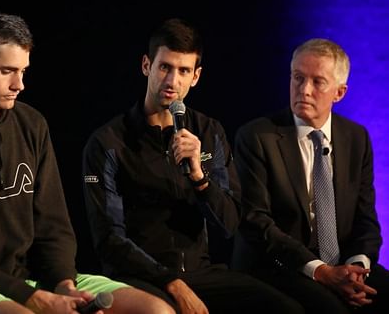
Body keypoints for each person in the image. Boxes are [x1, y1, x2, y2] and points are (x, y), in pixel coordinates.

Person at [0, 12, 175, 314]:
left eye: (23, 71)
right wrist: (33, 300)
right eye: (7, 71)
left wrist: (64, 284)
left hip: (30, 279)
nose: (19, 84)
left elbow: (53, 226)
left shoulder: (30, 124)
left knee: (156, 310)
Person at [81, 18, 304, 314]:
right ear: (146, 66)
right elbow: (109, 239)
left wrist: (199, 177)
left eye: (183, 71)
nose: (172, 81)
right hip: (138, 277)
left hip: (201, 273)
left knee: (287, 310)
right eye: (165, 67)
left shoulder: (208, 131)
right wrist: (171, 282)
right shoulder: (108, 142)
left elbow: (229, 223)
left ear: (196, 76)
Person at [232, 38, 389, 313]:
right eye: (297, 78)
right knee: (331, 308)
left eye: (317, 82)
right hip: (279, 265)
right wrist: (322, 272)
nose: (304, 90)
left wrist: (357, 268)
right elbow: (256, 222)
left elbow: (366, 220)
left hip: (341, 264)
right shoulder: (256, 137)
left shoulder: (356, 138)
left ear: (339, 93)